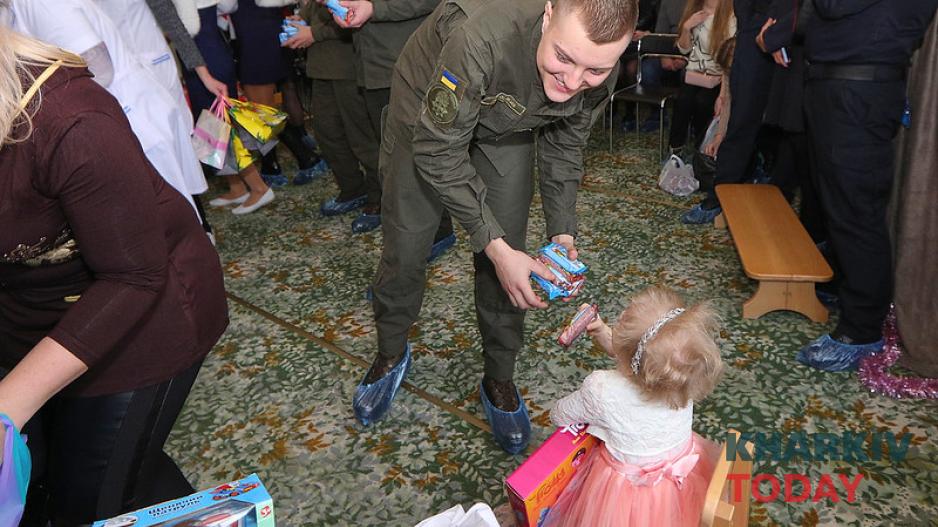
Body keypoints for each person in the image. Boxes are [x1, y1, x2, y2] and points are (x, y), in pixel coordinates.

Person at [352, 0, 636, 454]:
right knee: (407, 245)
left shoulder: (599, 63)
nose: (573, 81)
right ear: (547, 17)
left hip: (507, 125)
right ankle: (390, 350)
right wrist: (494, 245)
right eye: (563, 57)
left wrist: (562, 231)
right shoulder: (479, 36)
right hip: (426, 122)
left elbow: (566, 144)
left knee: (512, 258)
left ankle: (499, 376)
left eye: (595, 71)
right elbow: (438, 149)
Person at [0, 28, 228, 525]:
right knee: (81, 473)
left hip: (143, 321)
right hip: (32, 318)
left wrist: (7, 404)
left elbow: (134, 276)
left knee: (86, 499)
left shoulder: (69, 119)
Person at [796, 0, 938, 372]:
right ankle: (847, 290)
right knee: (836, 203)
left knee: (855, 210)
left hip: (859, 88)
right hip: (839, 82)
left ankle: (861, 329)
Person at [8, 0, 208, 220]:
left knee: (168, 222)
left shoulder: (44, 3)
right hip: (122, 113)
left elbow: (100, 70)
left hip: (127, 114)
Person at [543, 288, 723, 526]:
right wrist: (602, 331)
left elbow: (560, 415)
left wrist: (561, 410)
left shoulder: (601, 388)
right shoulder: (681, 375)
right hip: (681, 482)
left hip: (623, 497)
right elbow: (639, 361)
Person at [326, 0, 452, 242]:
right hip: (370, 64)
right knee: (392, 157)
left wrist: (374, 8)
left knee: (417, 153)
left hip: (404, 63)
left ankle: (438, 231)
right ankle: (411, 227)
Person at [680, 0, 774, 224]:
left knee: (787, 130)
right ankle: (717, 199)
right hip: (755, 38)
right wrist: (721, 133)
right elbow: (732, 100)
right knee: (740, 125)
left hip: (790, 42)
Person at [285, 2, 381, 218]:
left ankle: (379, 197)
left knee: (362, 138)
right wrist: (301, 19)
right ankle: (353, 188)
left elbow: (354, 17)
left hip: (349, 67)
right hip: (321, 68)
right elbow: (315, 8)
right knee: (328, 135)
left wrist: (314, 33)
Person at [668, 0, 735, 155]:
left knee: (703, 102)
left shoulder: (730, 16)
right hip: (694, 74)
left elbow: (729, 62)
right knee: (682, 101)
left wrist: (722, 95)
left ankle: (701, 150)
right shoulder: (694, 9)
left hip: (718, 77)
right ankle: (675, 150)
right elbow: (684, 50)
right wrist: (686, 27)